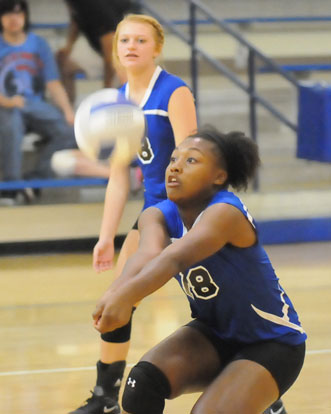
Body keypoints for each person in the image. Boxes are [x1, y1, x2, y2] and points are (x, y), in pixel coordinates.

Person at [93, 127, 307, 414]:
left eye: (191, 160)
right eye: (172, 159)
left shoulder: (225, 213)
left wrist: (126, 297)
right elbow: (147, 255)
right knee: (140, 384)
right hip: (214, 335)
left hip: (272, 342)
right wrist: (115, 293)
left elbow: (174, 259)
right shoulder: (155, 214)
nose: (176, 167)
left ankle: (258, 393)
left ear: (218, 177)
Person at [68, 13, 198, 414]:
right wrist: (106, 236)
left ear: (156, 48)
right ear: (115, 49)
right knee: (114, 303)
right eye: (124, 40)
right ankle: (106, 397)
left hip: (188, 213)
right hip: (151, 214)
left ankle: (264, 393)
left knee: (217, 309)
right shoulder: (118, 102)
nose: (131, 46)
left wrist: (186, 228)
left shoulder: (174, 92)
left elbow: (193, 163)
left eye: (141, 40)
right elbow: (119, 177)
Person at [0, 0, 110, 204]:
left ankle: (35, 181)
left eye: (18, 13)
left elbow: (53, 83)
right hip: (5, 108)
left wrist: (69, 112)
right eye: (7, 14)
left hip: (34, 106)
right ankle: (11, 187)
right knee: (11, 121)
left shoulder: (38, 44)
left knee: (70, 130)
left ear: (25, 16)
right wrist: (7, 102)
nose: (14, 19)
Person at [57, 0, 141, 104]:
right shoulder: (76, 4)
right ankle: (68, 110)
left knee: (126, 86)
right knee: (64, 61)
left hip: (123, 51)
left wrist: (107, 87)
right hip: (100, 47)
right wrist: (68, 46)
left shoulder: (96, 7)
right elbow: (76, 20)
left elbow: (110, 55)